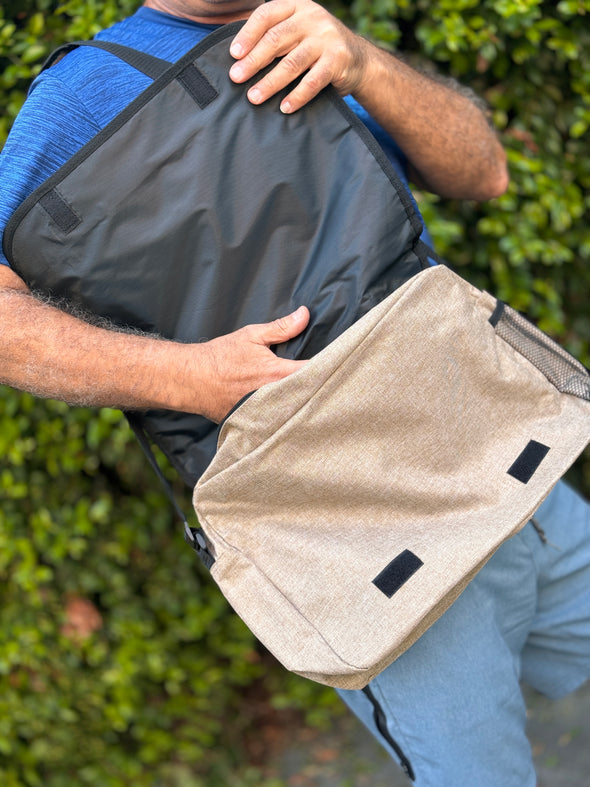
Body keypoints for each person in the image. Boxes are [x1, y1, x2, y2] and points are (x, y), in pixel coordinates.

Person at [0, 1, 588, 784]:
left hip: (503, 455)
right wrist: (186, 376)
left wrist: (364, 62)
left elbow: (485, 170)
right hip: (364, 554)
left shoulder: (305, 34)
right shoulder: (78, 100)